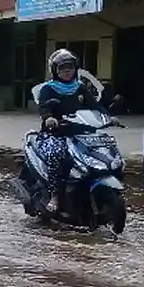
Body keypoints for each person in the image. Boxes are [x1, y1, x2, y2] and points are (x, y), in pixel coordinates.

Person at [36, 48, 102, 213]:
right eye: (62, 68)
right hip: (56, 133)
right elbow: (44, 107)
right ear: (55, 70)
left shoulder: (80, 87)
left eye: (70, 67)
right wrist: (48, 118)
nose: (67, 71)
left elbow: (94, 106)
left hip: (80, 132)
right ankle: (55, 194)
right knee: (57, 155)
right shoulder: (48, 89)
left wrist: (108, 116)